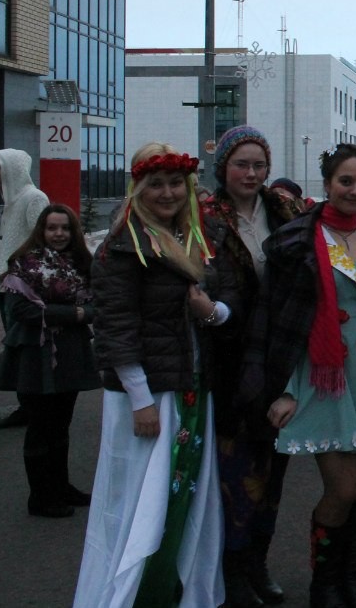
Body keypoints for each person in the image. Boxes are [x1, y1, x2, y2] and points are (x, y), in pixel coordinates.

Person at [74, 143, 240, 608]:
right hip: (149, 396)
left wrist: (213, 312)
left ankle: (175, 590)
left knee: (183, 498)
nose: (166, 194)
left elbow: (225, 305)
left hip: (192, 388)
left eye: (175, 184)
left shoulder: (199, 239)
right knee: (139, 504)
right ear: (139, 189)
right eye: (156, 185)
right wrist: (140, 398)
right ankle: (131, 596)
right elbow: (115, 327)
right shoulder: (123, 246)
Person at [254, 143, 356, 608]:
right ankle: (323, 584)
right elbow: (281, 322)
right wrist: (286, 389)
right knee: (340, 487)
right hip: (323, 373)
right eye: (346, 181)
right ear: (327, 184)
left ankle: (349, 580)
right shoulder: (299, 240)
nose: (355, 190)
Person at [200, 125, 302, 607]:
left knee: (274, 471)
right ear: (224, 167)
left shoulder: (284, 211)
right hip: (228, 356)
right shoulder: (202, 216)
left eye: (259, 164)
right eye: (241, 163)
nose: (251, 173)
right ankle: (231, 567)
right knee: (235, 472)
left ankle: (257, 562)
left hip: (278, 353)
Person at [0, 204, 100, 516]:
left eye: (65, 228)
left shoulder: (81, 264)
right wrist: (74, 313)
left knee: (61, 424)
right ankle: (40, 497)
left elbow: (98, 305)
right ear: (41, 230)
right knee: (41, 426)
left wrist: (78, 313)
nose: (59, 234)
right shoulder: (23, 264)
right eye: (52, 228)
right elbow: (20, 311)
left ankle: (61, 487)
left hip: (70, 353)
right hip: (33, 354)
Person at [0, 148, 50, 429]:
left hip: (23, 289)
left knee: (26, 347)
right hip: (7, 287)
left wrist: (20, 273)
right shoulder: (11, 200)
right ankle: (27, 404)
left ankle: (33, 406)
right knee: (16, 346)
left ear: (13, 168)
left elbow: (43, 242)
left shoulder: (34, 198)